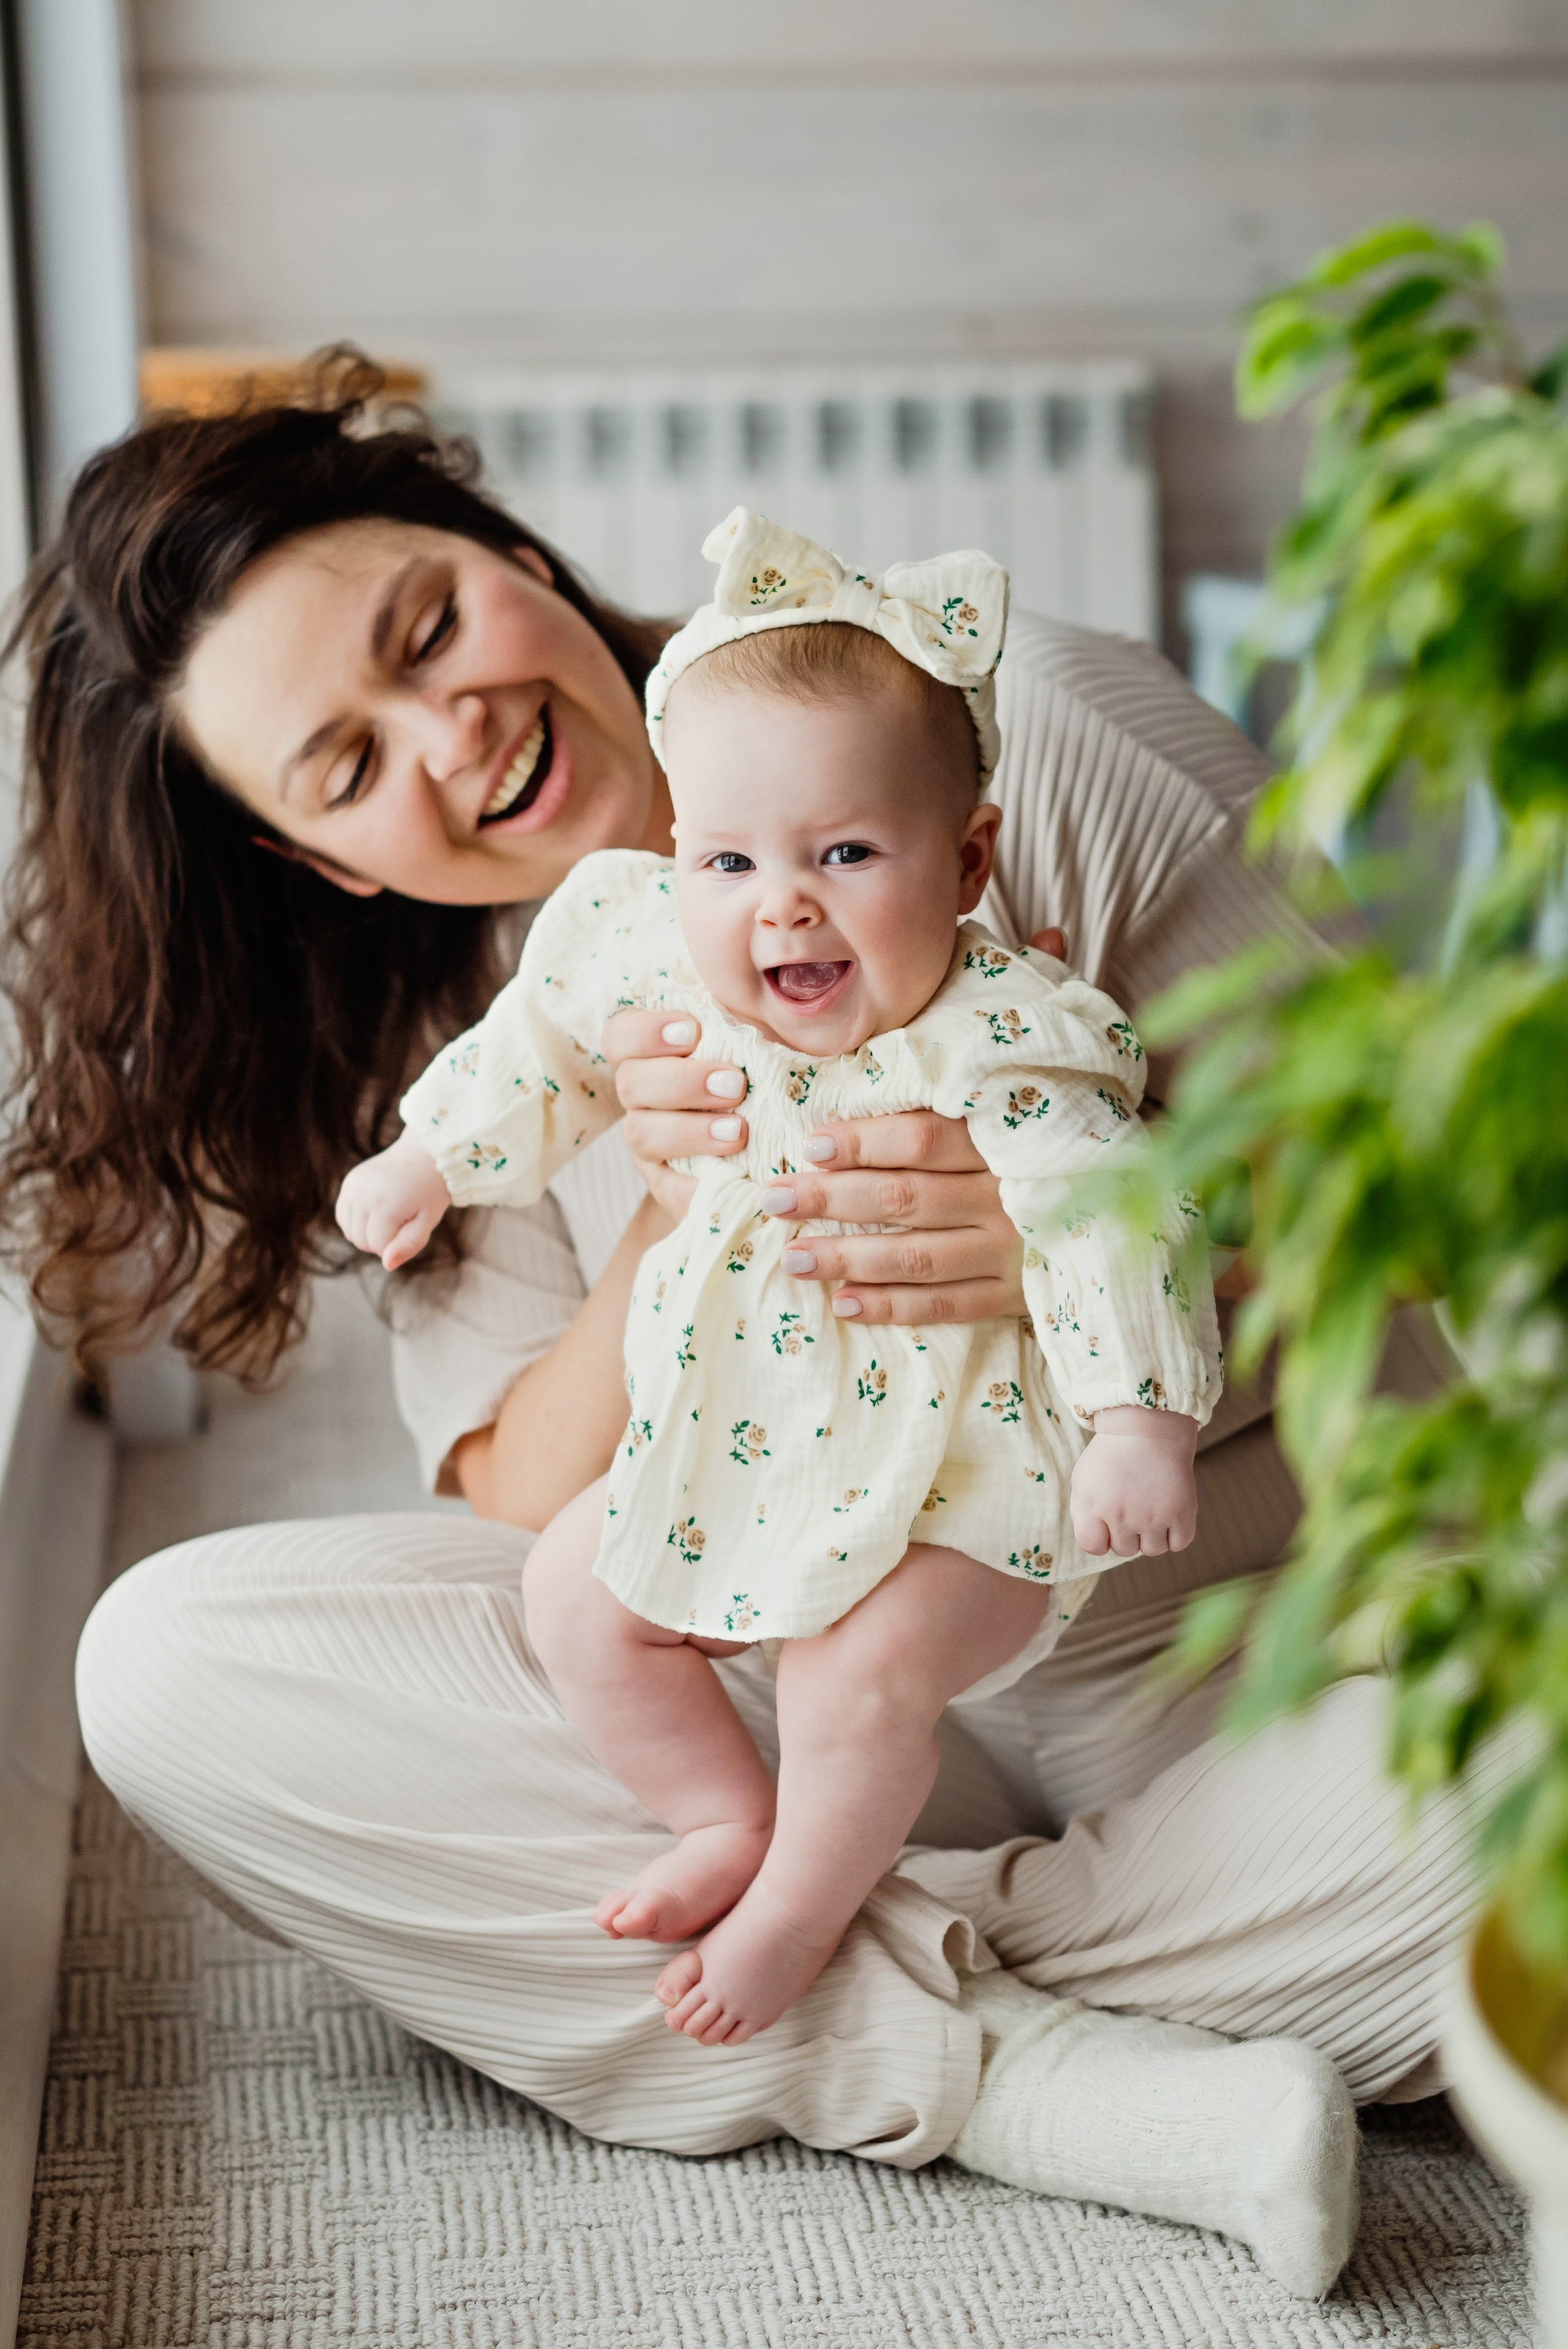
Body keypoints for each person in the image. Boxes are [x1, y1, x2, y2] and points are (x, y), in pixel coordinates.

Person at [2, 366, 1471, 2302]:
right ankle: (1031, 2058)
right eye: (347, 771)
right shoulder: (519, 1001)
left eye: (431, 629)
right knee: (173, 1663)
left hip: (1257, 1649)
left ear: (510, 550)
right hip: (801, 1683)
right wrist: (686, 1210)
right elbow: (520, 1497)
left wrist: (1073, 1242)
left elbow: (1430, 1181)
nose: (451, 739)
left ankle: (909, 2004)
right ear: (323, 862)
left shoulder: (1010, 736)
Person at [338, 509, 1221, 2046]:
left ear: (967, 863)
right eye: (728, 858)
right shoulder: (645, 952)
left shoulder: (999, 1039)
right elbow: (529, 1057)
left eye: (845, 854)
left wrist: (1139, 1418)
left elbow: (1110, 1216)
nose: (781, 904)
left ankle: (811, 1914)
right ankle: (729, 1825)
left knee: (851, 1675)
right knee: (566, 1591)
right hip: (749, 1438)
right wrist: (427, 1164)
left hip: (963, 1480)